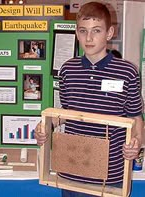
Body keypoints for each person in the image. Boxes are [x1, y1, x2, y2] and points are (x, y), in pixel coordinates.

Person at [34, 2, 144, 197]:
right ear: (77, 33)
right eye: (83, 31)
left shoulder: (127, 72)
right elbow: (65, 114)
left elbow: (136, 118)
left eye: (97, 31)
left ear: (109, 33)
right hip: (71, 172)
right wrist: (45, 127)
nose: (89, 38)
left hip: (110, 177)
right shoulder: (68, 69)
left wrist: (136, 142)